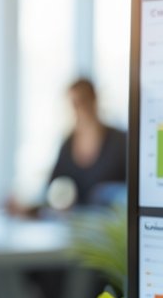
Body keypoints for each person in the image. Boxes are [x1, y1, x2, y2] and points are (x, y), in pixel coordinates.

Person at [9, 78, 126, 216]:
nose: (78, 108)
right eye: (73, 103)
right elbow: (52, 187)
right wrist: (29, 206)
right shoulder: (68, 143)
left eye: (82, 101)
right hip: (75, 225)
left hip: (108, 227)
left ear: (94, 100)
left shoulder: (119, 140)